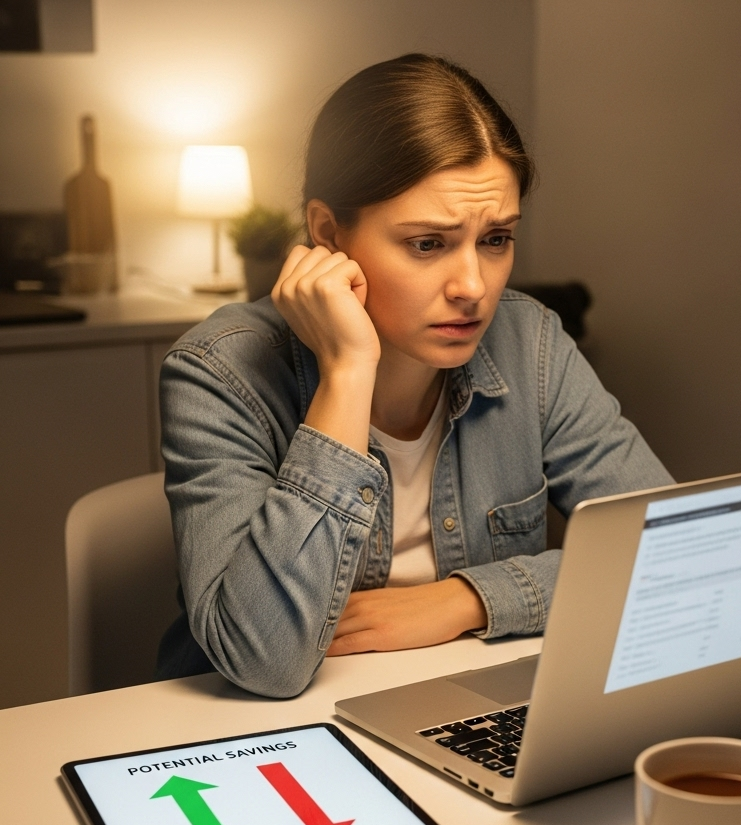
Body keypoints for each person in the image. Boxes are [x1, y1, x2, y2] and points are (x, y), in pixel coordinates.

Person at [156, 53, 672, 697]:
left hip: (460, 696)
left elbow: (672, 550)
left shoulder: (530, 340)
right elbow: (266, 659)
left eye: (496, 239)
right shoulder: (220, 373)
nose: (473, 288)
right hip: (256, 733)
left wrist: (469, 600)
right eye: (427, 244)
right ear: (327, 234)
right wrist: (347, 372)